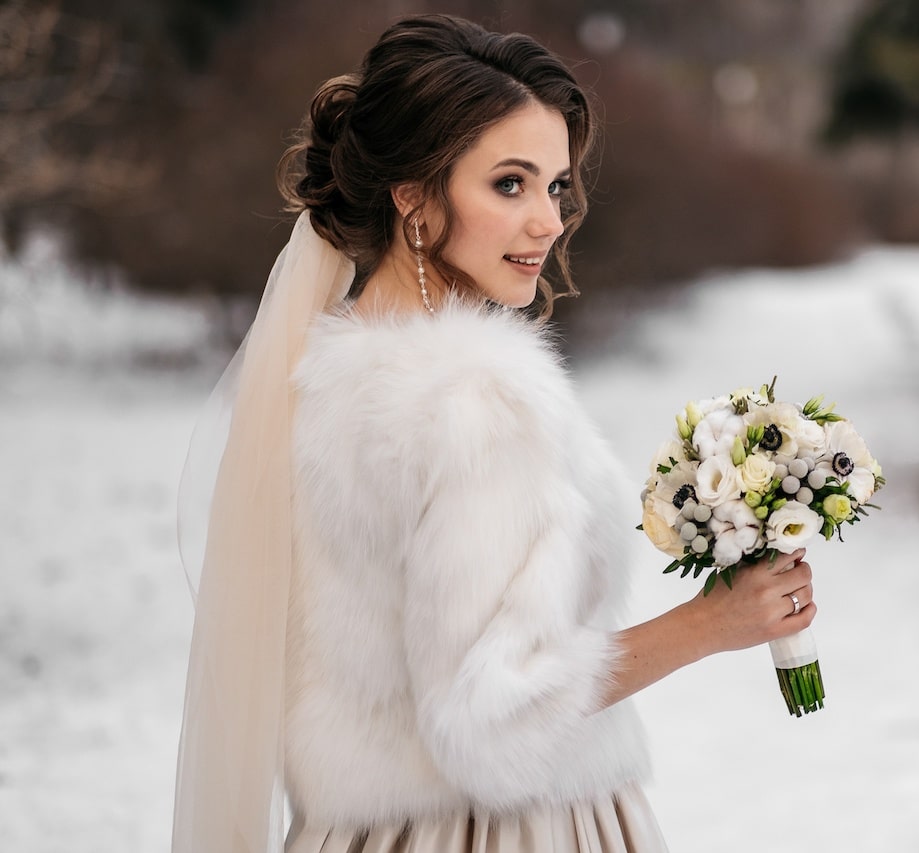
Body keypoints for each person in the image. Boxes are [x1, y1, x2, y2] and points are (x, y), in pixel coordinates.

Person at [173, 14, 816, 853]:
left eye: (554, 185)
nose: (549, 220)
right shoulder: (476, 399)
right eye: (509, 183)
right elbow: (492, 722)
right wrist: (711, 623)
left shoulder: (322, 375)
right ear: (413, 194)